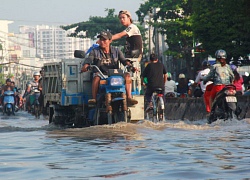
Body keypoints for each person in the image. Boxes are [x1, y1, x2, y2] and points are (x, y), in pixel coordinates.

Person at [81, 31, 138, 105]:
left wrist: (130, 66)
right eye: (101, 39)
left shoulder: (117, 51)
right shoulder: (94, 51)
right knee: (96, 77)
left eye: (104, 40)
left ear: (110, 40)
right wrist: (86, 65)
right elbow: (89, 59)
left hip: (115, 75)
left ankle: (129, 97)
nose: (102, 42)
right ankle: (94, 99)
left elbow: (124, 60)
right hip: (102, 75)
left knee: (127, 76)